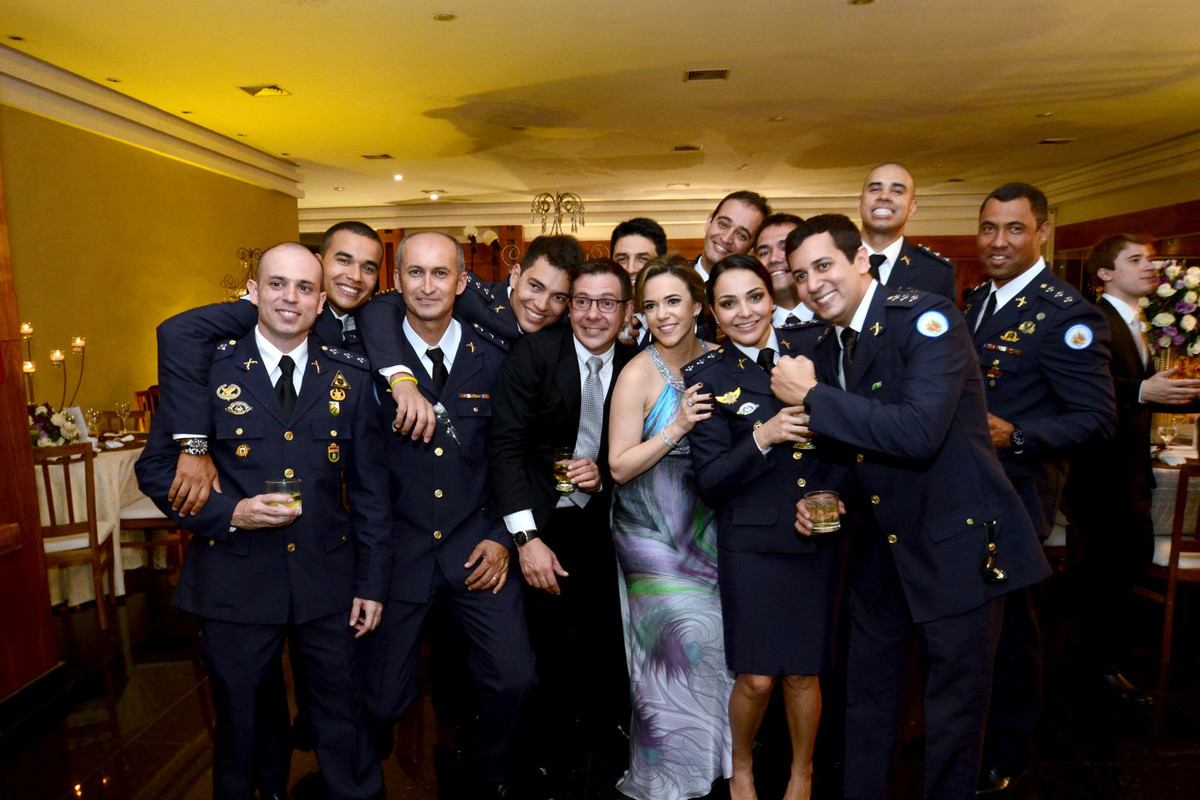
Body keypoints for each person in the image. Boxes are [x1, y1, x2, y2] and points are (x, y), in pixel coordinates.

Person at [774, 214, 1050, 800]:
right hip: (881, 546)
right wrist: (823, 500)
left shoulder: (924, 319)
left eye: (824, 266)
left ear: (861, 262)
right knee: (867, 697)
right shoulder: (825, 344)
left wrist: (814, 397)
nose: (813, 283)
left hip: (957, 544)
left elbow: (918, 432)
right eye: (799, 275)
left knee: (953, 712)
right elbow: (850, 449)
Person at [135, 243, 391, 800]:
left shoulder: (347, 374)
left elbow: (372, 492)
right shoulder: (207, 370)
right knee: (244, 724)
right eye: (277, 284)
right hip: (234, 580)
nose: (289, 299)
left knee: (344, 721)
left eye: (304, 288)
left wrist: (372, 581)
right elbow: (156, 469)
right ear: (252, 293)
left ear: (322, 302)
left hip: (329, 582)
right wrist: (231, 514)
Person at [361, 232, 535, 798]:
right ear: (397, 281)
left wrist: (503, 538)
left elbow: (517, 459)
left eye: (442, 274)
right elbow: (364, 477)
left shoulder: (498, 358)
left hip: (475, 543)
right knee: (383, 700)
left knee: (515, 678)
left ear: (463, 282)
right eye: (416, 273)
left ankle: (487, 765)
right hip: (401, 550)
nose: (428, 286)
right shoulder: (372, 362)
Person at [964, 183, 1116, 794]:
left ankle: (1007, 748)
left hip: (1021, 493)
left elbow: (1098, 419)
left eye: (1014, 229)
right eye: (989, 229)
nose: (999, 242)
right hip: (969, 491)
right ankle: (969, 734)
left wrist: (1018, 436)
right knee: (973, 625)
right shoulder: (975, 301)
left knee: (1013, 628)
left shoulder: (1068, 315)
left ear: (1043, 232)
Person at [684, 254, 843, 800]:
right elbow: (709, 479)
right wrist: (763, 435)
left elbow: (853, 439)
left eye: (754, 296)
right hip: (750, 542)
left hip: (814, 533)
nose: (745, 311)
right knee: (755, 677)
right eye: (728, 303)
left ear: (771, 294)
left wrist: (836, 498)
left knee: (802, 673)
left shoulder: (819, 348)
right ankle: (743, 765)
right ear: (714, 313)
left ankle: (802, 772)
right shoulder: (706, 377)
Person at [489, 258, 636, 798]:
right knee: (543, 650)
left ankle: (600, 754)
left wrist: (605, 477)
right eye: (581, 302)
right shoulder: (535, 353)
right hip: (540, 523)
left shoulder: (637, 363)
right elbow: (505, 449)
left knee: (604, 647)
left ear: (626, 311)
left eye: (606, 304)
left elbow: (646, 455)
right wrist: (526, 540)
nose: (592, 315)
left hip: (605, 525)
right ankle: (543, 758)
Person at [607, 255, 733, 800]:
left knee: (717, 646)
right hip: (648, 527)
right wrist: (677, 425)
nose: (662, 314)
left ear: (699, 305)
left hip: (707, 523)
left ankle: (708, 768)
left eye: (673, 301)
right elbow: (617, 466)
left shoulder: (721, 360)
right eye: (651, 305)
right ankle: (664, 778)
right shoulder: (637, 372)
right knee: (675, 645)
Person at [1065, 234, 1200, 705]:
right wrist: (1143, 392)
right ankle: (1093, 669)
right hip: (1099, 469)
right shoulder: (1091, 321)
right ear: (1105, 274)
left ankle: (1103, 660)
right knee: (1105, 570)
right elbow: (1085, 385)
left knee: (1127, 563)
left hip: (1129, 466)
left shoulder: (1137, 322)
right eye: (1136, 260)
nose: (1150, 267)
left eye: (1150, 260)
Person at [856, 163, 957, 300]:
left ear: (912, 208)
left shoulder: (936, 272)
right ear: (859, 203)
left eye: (897, 191)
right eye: (875, 189)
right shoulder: (833, 262)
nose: (884, 196)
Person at [611, 217, 669, 346]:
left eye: (642, 259)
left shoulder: (674, 317)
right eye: (622, 259)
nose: (630, 269)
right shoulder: (599, 319)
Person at [693, 191, 771, 282]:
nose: (726, 239)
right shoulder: (674, 280)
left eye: (741, 235)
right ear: (709, 222)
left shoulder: (755, 290)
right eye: (723, 225)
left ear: (751, 249)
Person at [755, 212, 813, 326]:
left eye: (785, 248)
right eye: (764, 253)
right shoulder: (749, 328)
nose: (773, 259)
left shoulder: (839, 317)